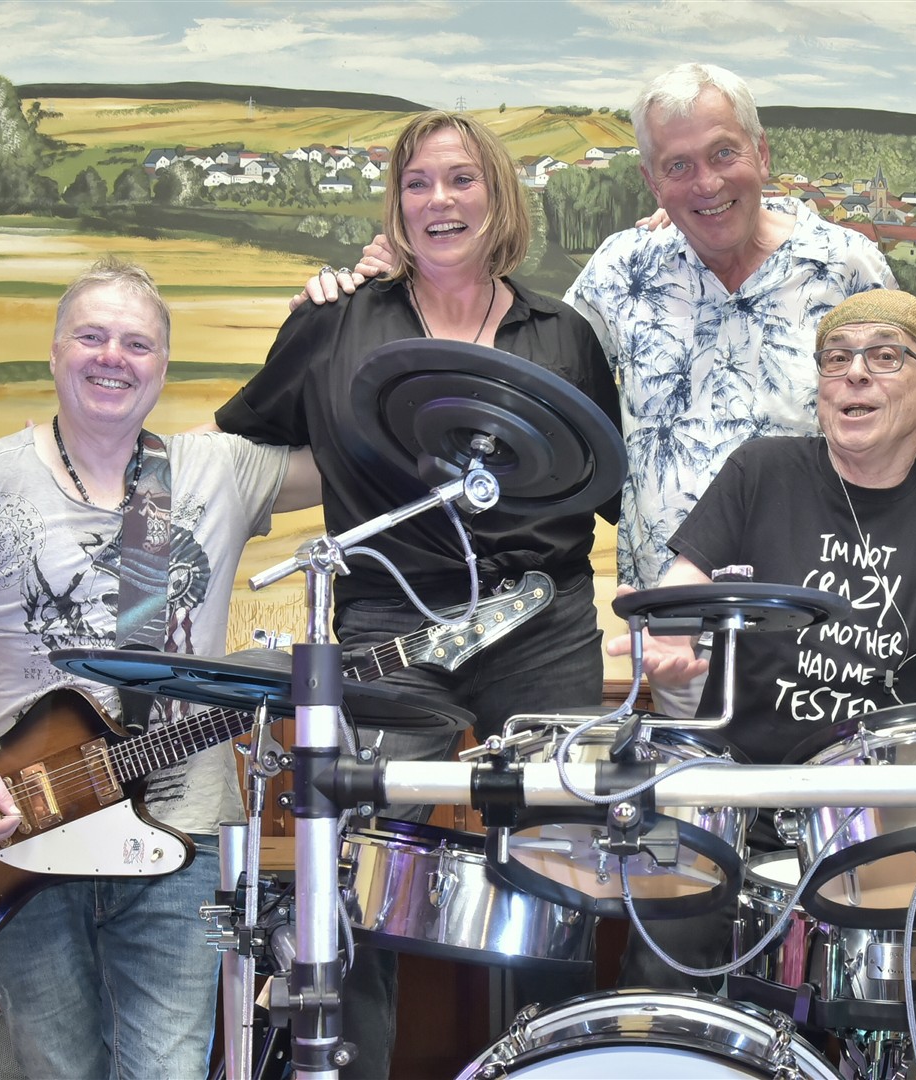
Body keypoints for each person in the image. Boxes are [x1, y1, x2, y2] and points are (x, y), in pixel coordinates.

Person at [211, 109, 621, 1079]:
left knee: (560, 864)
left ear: (498, 197)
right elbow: (247, 443)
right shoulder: (334, 323)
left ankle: (548, 1064)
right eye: (417, 183)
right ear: (395, 207)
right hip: (389, 624)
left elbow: (607, 485)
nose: (440, 200)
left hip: (541, 620)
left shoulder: (563, 334)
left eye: (461, 179)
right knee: (357, 867)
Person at [610, 289, 916, 1079]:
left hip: (895, 820)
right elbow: (678, 598)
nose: (854, 375)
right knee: (661, 950)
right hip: (743, 810)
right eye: (836, 359)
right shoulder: (761, 471)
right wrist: (664, 642)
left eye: (883, 357)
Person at [295, 63, 896, 716]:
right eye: (678, 166)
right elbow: (536, 372)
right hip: (677, 628)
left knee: (839, 781)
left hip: (824, 607)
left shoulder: (845, 266)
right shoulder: (623, 269)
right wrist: (399, 273)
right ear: (652, 180)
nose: (706, 183)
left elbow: (904, 414)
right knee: (695, 782)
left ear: (762, 152)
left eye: (724, 154)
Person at [0, 257, 316, 1078]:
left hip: (179, 838)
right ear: (54, 352)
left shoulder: (218, 470)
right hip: (22, 834)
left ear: (163, 366)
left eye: (137, 343)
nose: (113, 357)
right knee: (56, 1069)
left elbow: (362, 453)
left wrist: (342, 310)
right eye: (91, 337)